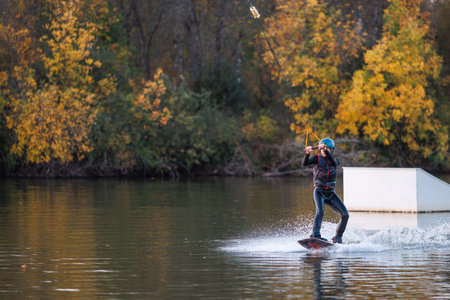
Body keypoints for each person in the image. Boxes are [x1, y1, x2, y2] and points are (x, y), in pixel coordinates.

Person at [303, 138, 349, 243]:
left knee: (345, 215)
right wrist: (307, 153)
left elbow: (333, 161)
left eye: (326, 149)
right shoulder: (316, 159)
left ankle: (338, 237)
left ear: (331, 149)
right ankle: (316, 235)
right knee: (320, 211)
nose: (323, 151)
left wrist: (326, 150)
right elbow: (305, 163)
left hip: (331, 193)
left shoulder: (336, 161)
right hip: (319, 192)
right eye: (322, 149)